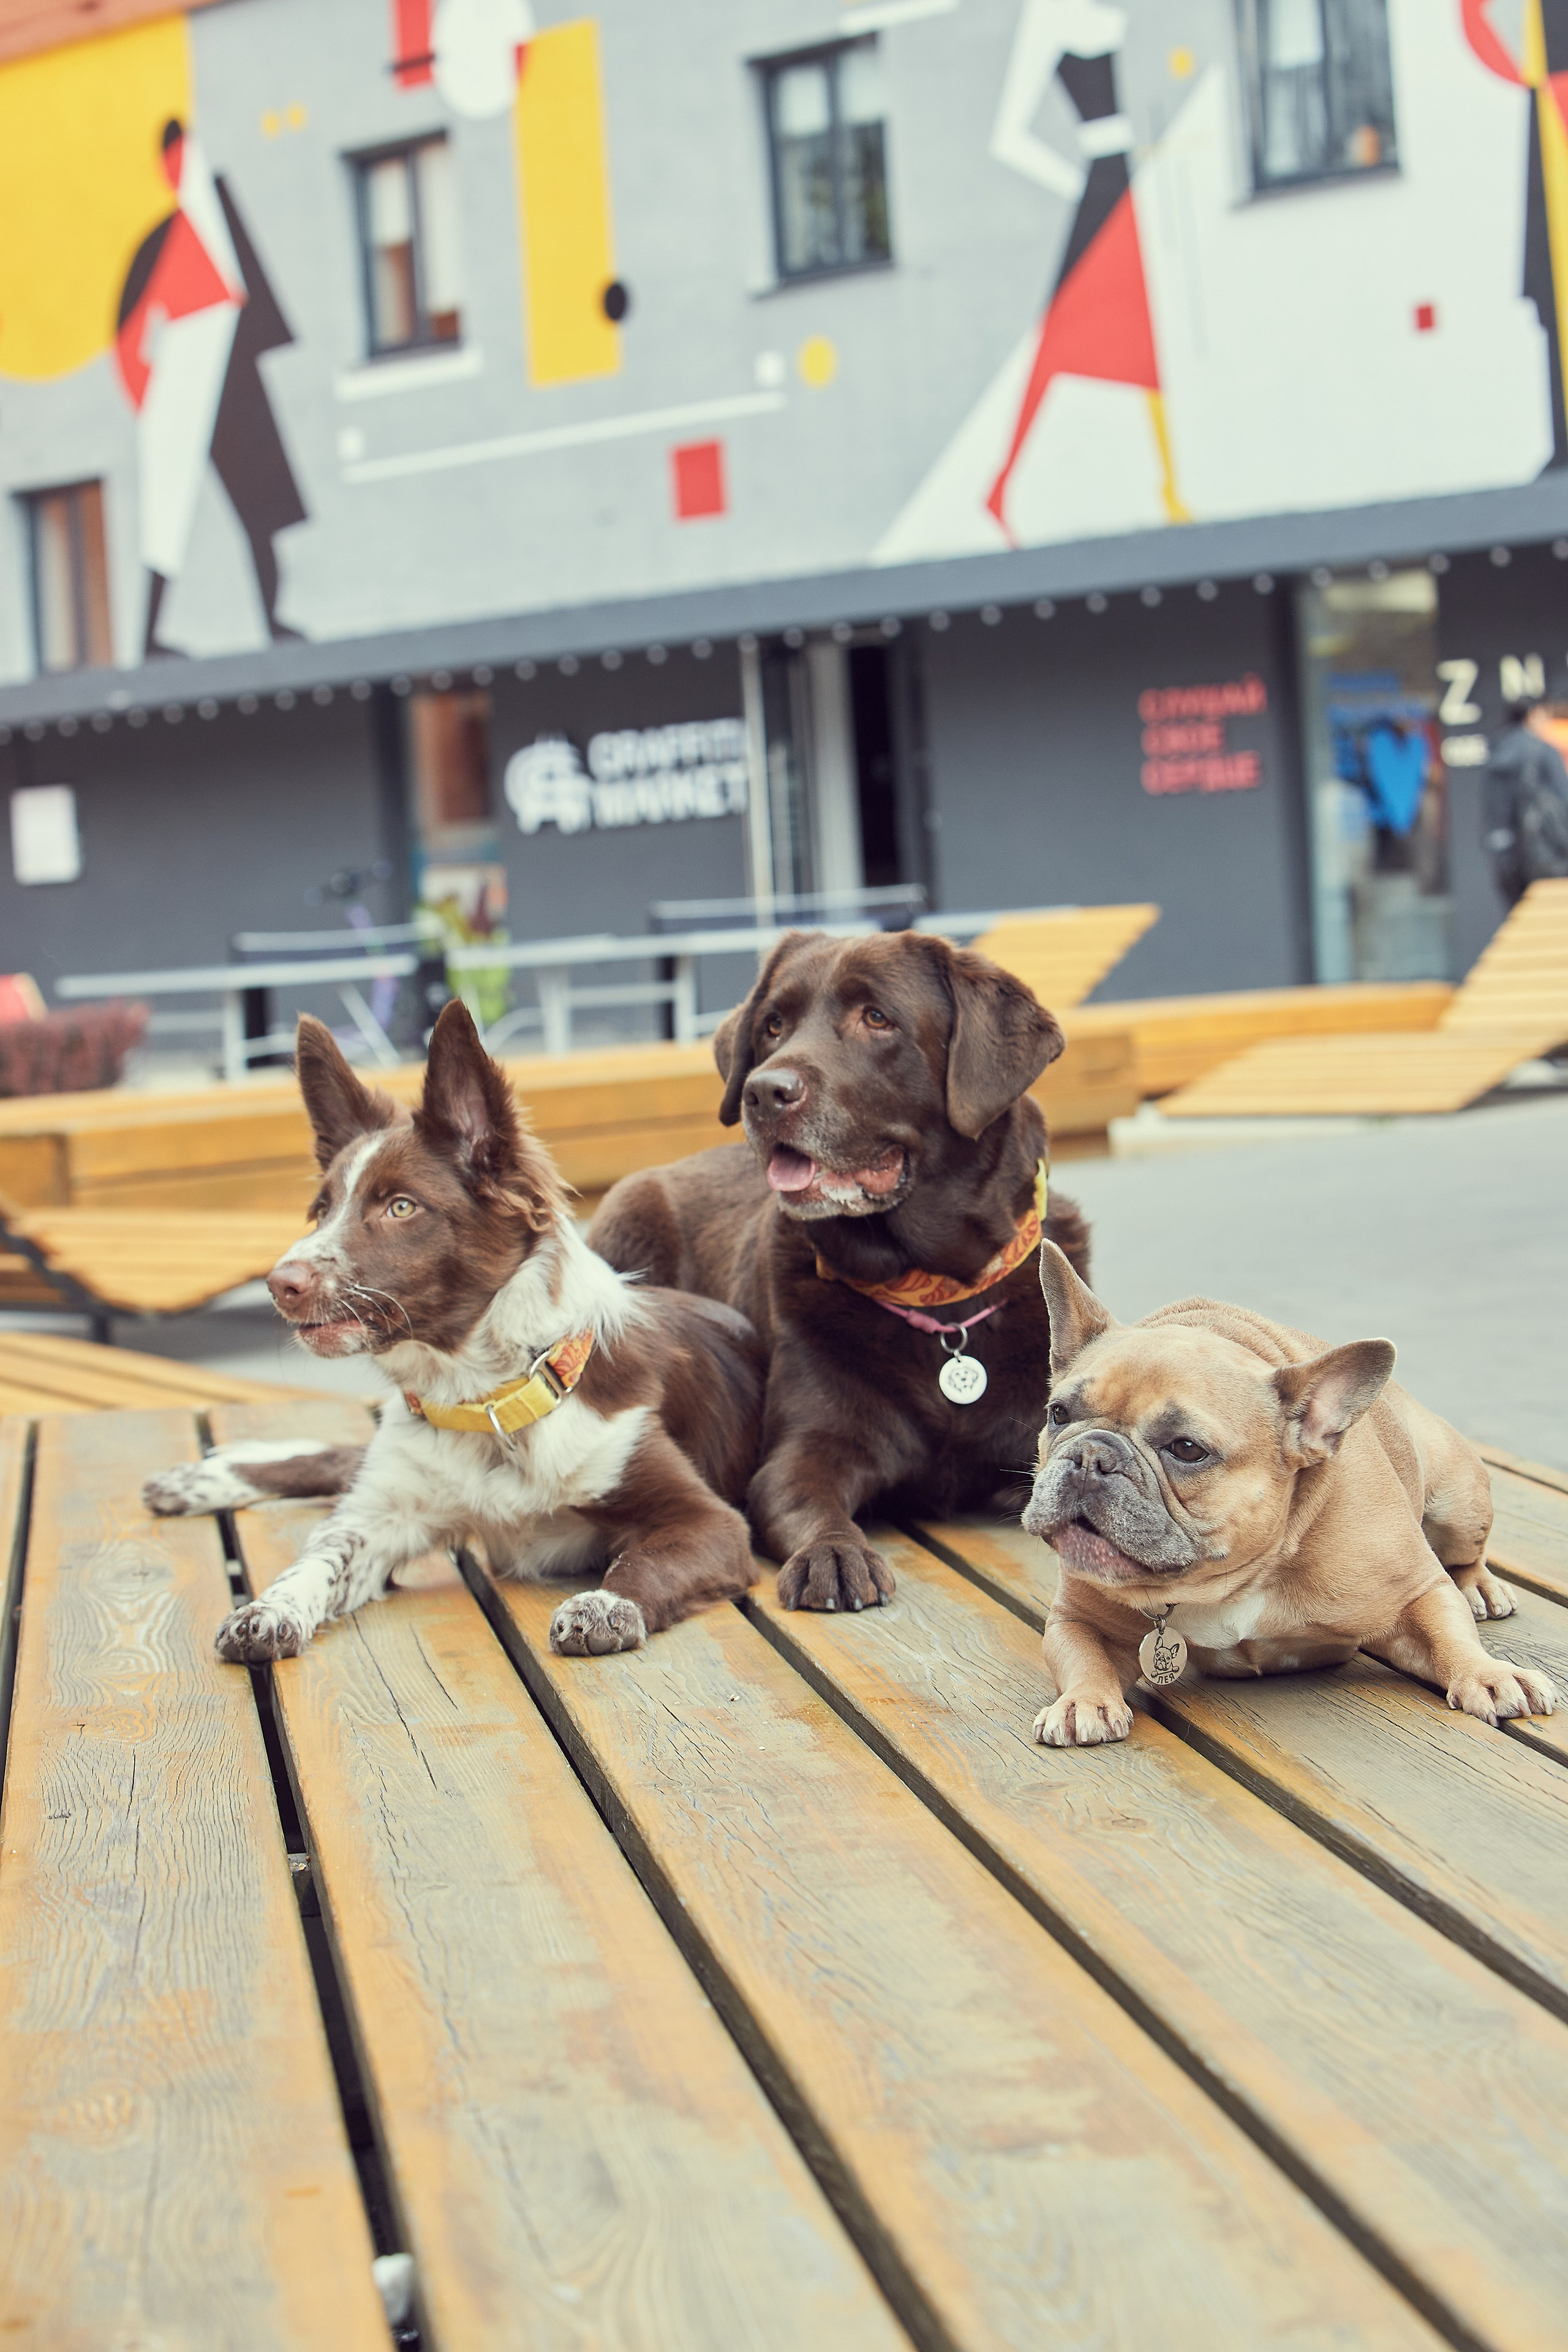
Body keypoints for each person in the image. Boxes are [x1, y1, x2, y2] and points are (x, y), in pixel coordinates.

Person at [1483, 697, 1568, 905]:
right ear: (1533, 715)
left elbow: (1493, 812)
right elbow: (1563, 798)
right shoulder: (1543, 752)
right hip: (1548, 856)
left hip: (1507, 856)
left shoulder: (1497, 752)